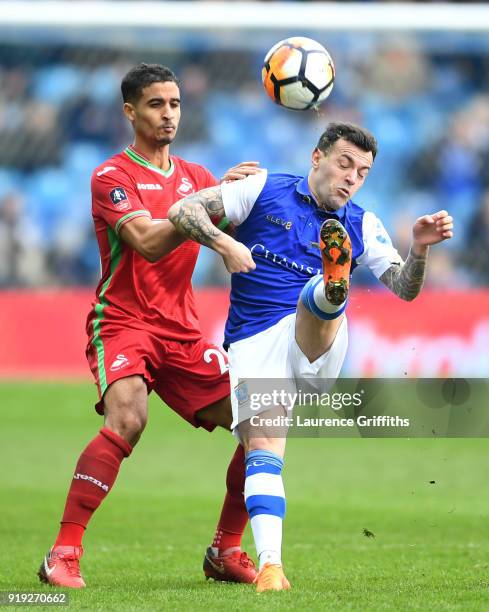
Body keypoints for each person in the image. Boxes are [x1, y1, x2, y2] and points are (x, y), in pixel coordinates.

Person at [168, 121, 454, 592]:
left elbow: (404, 288)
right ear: (316, 157)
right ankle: (271, 568)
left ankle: (329, 290)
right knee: (263, 450)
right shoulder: (262, 189)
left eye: (362, 172)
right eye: (344, 163)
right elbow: (183, 209)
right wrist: (225, 241)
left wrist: (418, 248)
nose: (351, 178)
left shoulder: (363, 222)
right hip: (255, 343)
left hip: (318, 344)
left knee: (315, 302)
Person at [38, 63, 260, 589]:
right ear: (130, 111)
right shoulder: (111, 176)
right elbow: (148, 240)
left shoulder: (200, 178)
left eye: (176, 104)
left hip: (182, 332)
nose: (168, 115)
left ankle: (225, 550)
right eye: (157, 104)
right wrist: (206, 216)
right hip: (123, 323)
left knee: (261, 424)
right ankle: (63, 553)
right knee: (128, 418)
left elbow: (248, 226)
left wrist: (249, 195)